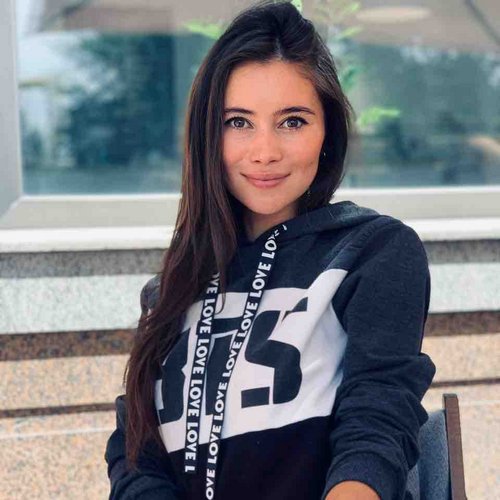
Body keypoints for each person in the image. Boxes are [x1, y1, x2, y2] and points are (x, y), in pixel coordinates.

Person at [104, 1, 436, 499]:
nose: (265, 152)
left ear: (327, 133)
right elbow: (136, 457)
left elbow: (378, 421)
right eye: (239, 122)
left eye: (292, 121)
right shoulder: (171, 290)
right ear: (208, 135)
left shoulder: (373, 251)